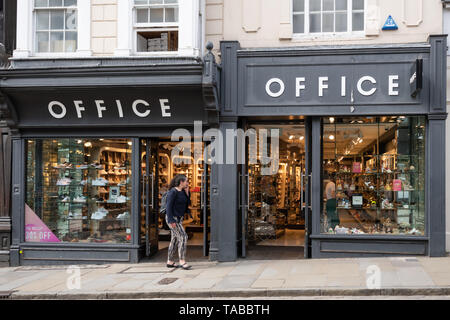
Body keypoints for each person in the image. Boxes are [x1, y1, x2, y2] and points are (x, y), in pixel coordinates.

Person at [165, 174, 192, 270]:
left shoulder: (183, 191)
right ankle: (182, 261)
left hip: (179, 219)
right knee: (183, 237)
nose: (187, 183)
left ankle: (170, 261)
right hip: (173, 219)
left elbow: (188, 203)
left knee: (175, 239)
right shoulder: (173, 192)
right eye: (186, 181)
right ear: (181, 182)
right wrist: (171, 220)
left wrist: (187, 192)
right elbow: (168, 207)